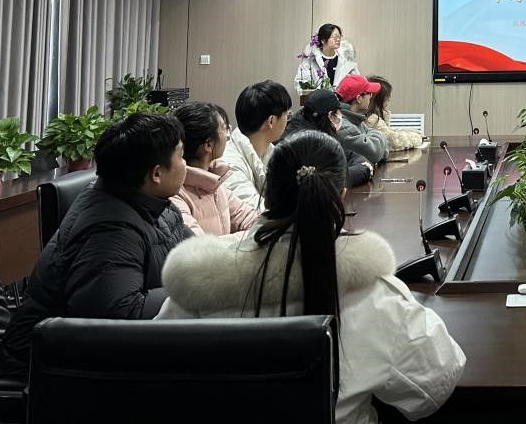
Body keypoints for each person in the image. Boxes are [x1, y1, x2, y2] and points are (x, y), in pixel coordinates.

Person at [158, 130, 465, 423]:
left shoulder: (196, 289)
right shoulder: (375, 294)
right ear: (342, 194)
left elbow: (155, 387)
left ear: (268, 193)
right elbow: (436, 383)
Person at [0, 112, 192, 378]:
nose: (185, 164)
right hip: (52, 375)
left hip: (105, 363)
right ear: (156, 173)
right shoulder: (110, 228)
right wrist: (194, 289)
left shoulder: (154, 203)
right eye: (181, 156)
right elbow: (118, 317)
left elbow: (195, 255)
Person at [170, 101, 260, 237]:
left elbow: (247, 217)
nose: (228, 135)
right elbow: (199, 246)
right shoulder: (176, 194)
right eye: (224, 128)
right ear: (208, 144)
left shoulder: (214, 178)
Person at [223, 80, 293, 211]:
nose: (288, 120)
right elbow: (253, 212)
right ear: (271, 121)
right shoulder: (229, 165)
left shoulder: (270, 152)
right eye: (287, 115)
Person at [284, 88, 375, 185]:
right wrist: (364, 170)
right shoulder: (304, 142)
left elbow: (348, 155)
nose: (341, 116)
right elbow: (328, 181)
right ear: (331, 116)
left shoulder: (318, 130)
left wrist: (362, 166)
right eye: (339, 112)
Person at [338, 73, 423, 151]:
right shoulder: (368, 120)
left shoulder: (358, 119)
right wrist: (418, 138)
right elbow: (385, 145)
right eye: (369, 93)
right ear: (359, 99)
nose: (370, 96)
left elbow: (387, 137)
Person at [295, 22, 358, 91]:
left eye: (339, 36)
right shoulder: (311, 60)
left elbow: (357, 82)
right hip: (317, 97)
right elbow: (301, 83)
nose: (338, 39)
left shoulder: (345, 60)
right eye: (334, 37)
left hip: (341, 98)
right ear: (323, 40)